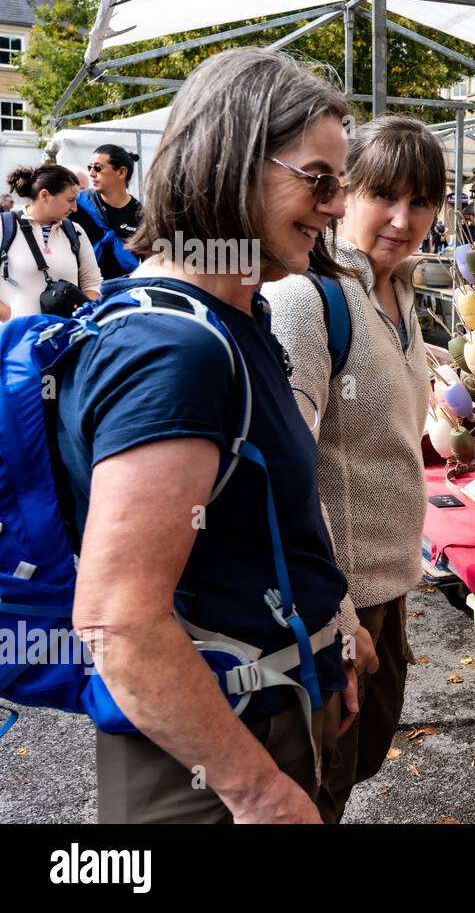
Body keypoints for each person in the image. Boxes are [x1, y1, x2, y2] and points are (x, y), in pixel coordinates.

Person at [60, 47, 352, 823]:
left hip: (262, 713)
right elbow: (119, 622)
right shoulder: (178, 348)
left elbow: (264, 527)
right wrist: (258, 792)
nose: (337, 205)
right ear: (233, 163)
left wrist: (335, 639)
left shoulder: (234, 316)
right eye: (319, 179)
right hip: (208, 765)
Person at [263, 114, 440, 824]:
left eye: (421, 200)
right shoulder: (308, 299)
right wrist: (335, 614)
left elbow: (383, 427)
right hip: (334, 599)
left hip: (389, 586)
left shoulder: (400, 295)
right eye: (383, 195)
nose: (403, 218)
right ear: (344, 193)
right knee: (316, 787)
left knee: (354, 765)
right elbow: (288, 466)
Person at [0, 164, 100, 322]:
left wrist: (80, 317)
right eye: (70, 200)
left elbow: (92, 281)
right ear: (45, 195)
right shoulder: (4, 226)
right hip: (14, 339)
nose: (75, 208)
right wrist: (12, 318)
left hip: (63, 339)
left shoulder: (75, 231)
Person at [71, 143, 143, 282]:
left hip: (121, 292)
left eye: (98, 168)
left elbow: (148, 262)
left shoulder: (142, 215)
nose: (91, 173)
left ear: (121, 172)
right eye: (89, 167)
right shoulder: (78, 203)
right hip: (81, 290)